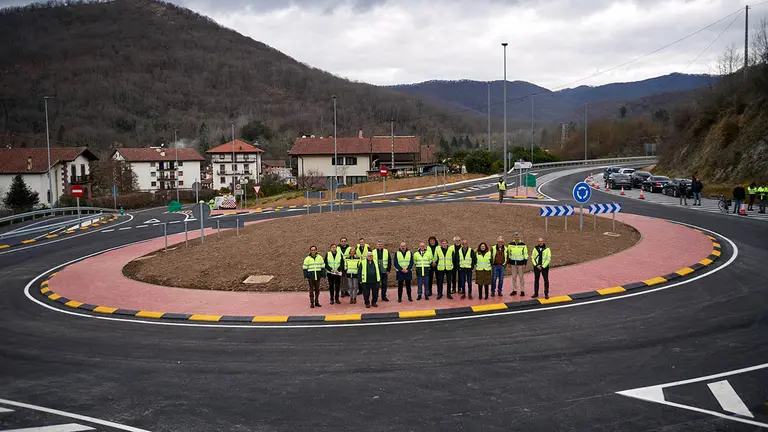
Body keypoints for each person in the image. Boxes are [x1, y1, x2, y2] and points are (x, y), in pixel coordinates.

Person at [507, 232, 528, 296]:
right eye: (515, 237)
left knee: (521, 277)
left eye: (518, 237)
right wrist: (508, 263)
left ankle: (522, 290)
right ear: (513, 237)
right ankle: (514, 290)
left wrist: (525, 263)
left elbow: (525, 254)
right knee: (514, 277)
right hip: (513, 263)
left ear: (519, 237)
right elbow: (508, 254)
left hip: (521, 263)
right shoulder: (510, 244)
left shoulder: (523, 245)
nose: (517, 238)